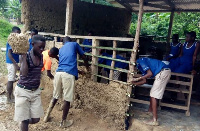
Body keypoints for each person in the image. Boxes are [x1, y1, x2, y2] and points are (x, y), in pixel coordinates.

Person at [43, 36, 89, 128]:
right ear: (70, 40)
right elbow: (83, 56)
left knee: (55, 96)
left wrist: (79, 72)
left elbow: (65, 63)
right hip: (68, 75)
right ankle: (63, 122)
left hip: (58, 73)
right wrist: (87, 66)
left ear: (63, 42)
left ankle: (46, 116)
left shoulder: (61, 49)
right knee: (67, 99)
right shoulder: (74, 44)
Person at [14, 35, 46, 131]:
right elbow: (23, 73)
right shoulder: (25, 56)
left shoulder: (41, 56)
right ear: (32, 44)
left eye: (43, 47)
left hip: (35, 92)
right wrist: (23, 58)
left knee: (36, 119)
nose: (42, 49)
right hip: (23, 91)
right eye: (39, 47)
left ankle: (23, 122)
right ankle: (23, 123)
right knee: (24, 120)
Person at [131, 58, 171, 126]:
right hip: (164, 72)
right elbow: (144, 81)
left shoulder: (140, 61)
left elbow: (149, 74)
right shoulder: (140, 67)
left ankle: (154, 120)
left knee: (153, 95)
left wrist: (137, 78)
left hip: (162, 72)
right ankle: (150, 111)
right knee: (152, 94)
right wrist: (134, 83)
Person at [6, 26, 21, 103]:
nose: (18, 35)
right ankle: (9, 98)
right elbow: (9, 54)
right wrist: (15, 64)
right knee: (11, 80)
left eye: (19, 33)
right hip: (11, 62)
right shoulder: (11, 41)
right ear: (13, 32)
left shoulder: (14, 41)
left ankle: (11, 95)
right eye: (17, 33)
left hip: (13, 62)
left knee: (11, 79)